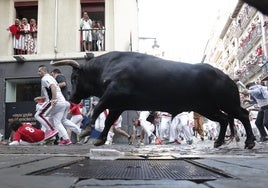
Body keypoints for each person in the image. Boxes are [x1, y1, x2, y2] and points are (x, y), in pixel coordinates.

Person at [37, 65, 72, 145]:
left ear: (43, 71)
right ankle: (66, 139)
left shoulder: (45, 78)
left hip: (56, 102)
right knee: (57, 121)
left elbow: (53, 87)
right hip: (62, 102)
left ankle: (51, 130)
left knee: (38, 115)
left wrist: (53, 99)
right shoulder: (52, 78)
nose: (38, 73)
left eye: (39, 71)